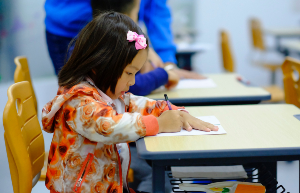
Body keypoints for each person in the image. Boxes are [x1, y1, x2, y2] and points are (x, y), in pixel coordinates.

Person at [42, 12, 218, 193]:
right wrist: (158, 124)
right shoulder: (78, 101)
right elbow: (107, 125)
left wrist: (170, 110)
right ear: (99, 65)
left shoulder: (106, 93)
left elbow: (135, 103)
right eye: (129, 73)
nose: (133, 82)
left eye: (135, 73)